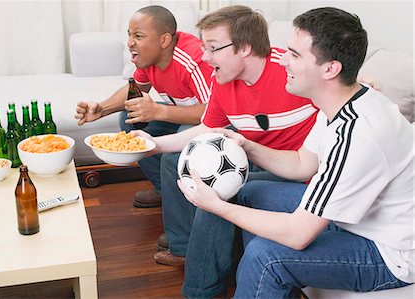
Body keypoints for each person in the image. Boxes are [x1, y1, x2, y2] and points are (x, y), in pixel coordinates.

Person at [178, 7, 414, 298]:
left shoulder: (357, 135)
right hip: (356, 218)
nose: (283, 61)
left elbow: (298, 234)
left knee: (266, 257)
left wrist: (216, 206)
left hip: (389, 252)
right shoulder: (336, 105)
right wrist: (247, 146)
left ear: (330, 69)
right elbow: (303, 164)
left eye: (294, 54)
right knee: (249, 192)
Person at [135, 5, 319, 298]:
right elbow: (205, 128)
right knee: (182, 165)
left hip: (299, 172)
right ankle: (197, 280)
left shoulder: (291, 73)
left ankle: (199, 291)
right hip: (257, 160)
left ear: (245, 48)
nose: (205, 57)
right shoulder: (221, 81)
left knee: (218, 189)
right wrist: (150, 145)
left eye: (212, 48)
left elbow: (340, 87)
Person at [75, 5, 213, 208]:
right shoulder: (149, 58)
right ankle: (165, 192)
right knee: (130, 118)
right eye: (129, 35)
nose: (130, 43)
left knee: (174, 152)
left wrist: (159, 111)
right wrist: (101, 109)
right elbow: (135, 89)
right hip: (182, 115)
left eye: (138, 36)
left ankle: (180, 208)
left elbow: (213, 113)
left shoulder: (193, 60)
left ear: (164, 40)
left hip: (208, 124)